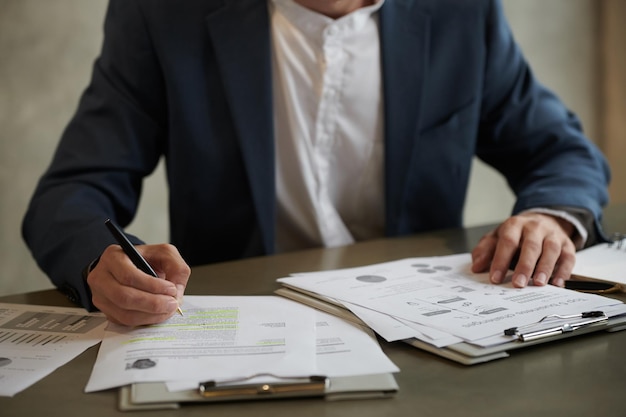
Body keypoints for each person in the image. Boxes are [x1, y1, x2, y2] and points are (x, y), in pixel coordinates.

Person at [22, 0, 610, 327]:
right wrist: (99, 261)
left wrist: (550, 217)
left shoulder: (461, 11)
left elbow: (560, 150)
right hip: (238, 332)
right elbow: (72, 191)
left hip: (428, 329)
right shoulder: (161, 13)